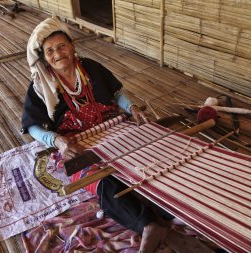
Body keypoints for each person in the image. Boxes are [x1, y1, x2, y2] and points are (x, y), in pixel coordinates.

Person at [22, 17, 214, 253]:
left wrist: (131, 108)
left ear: (72, 46)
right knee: (99, 179)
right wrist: (57, 141)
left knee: (150, 158)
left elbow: (116, 94)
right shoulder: (41, 85)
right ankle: (148, 224)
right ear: (44, 57)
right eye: (50, 50)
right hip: (77, 142)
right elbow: (32, 126)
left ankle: (169, 207)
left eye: (61, 46)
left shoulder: (90, 68)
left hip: (114, 126)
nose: (57, 53)